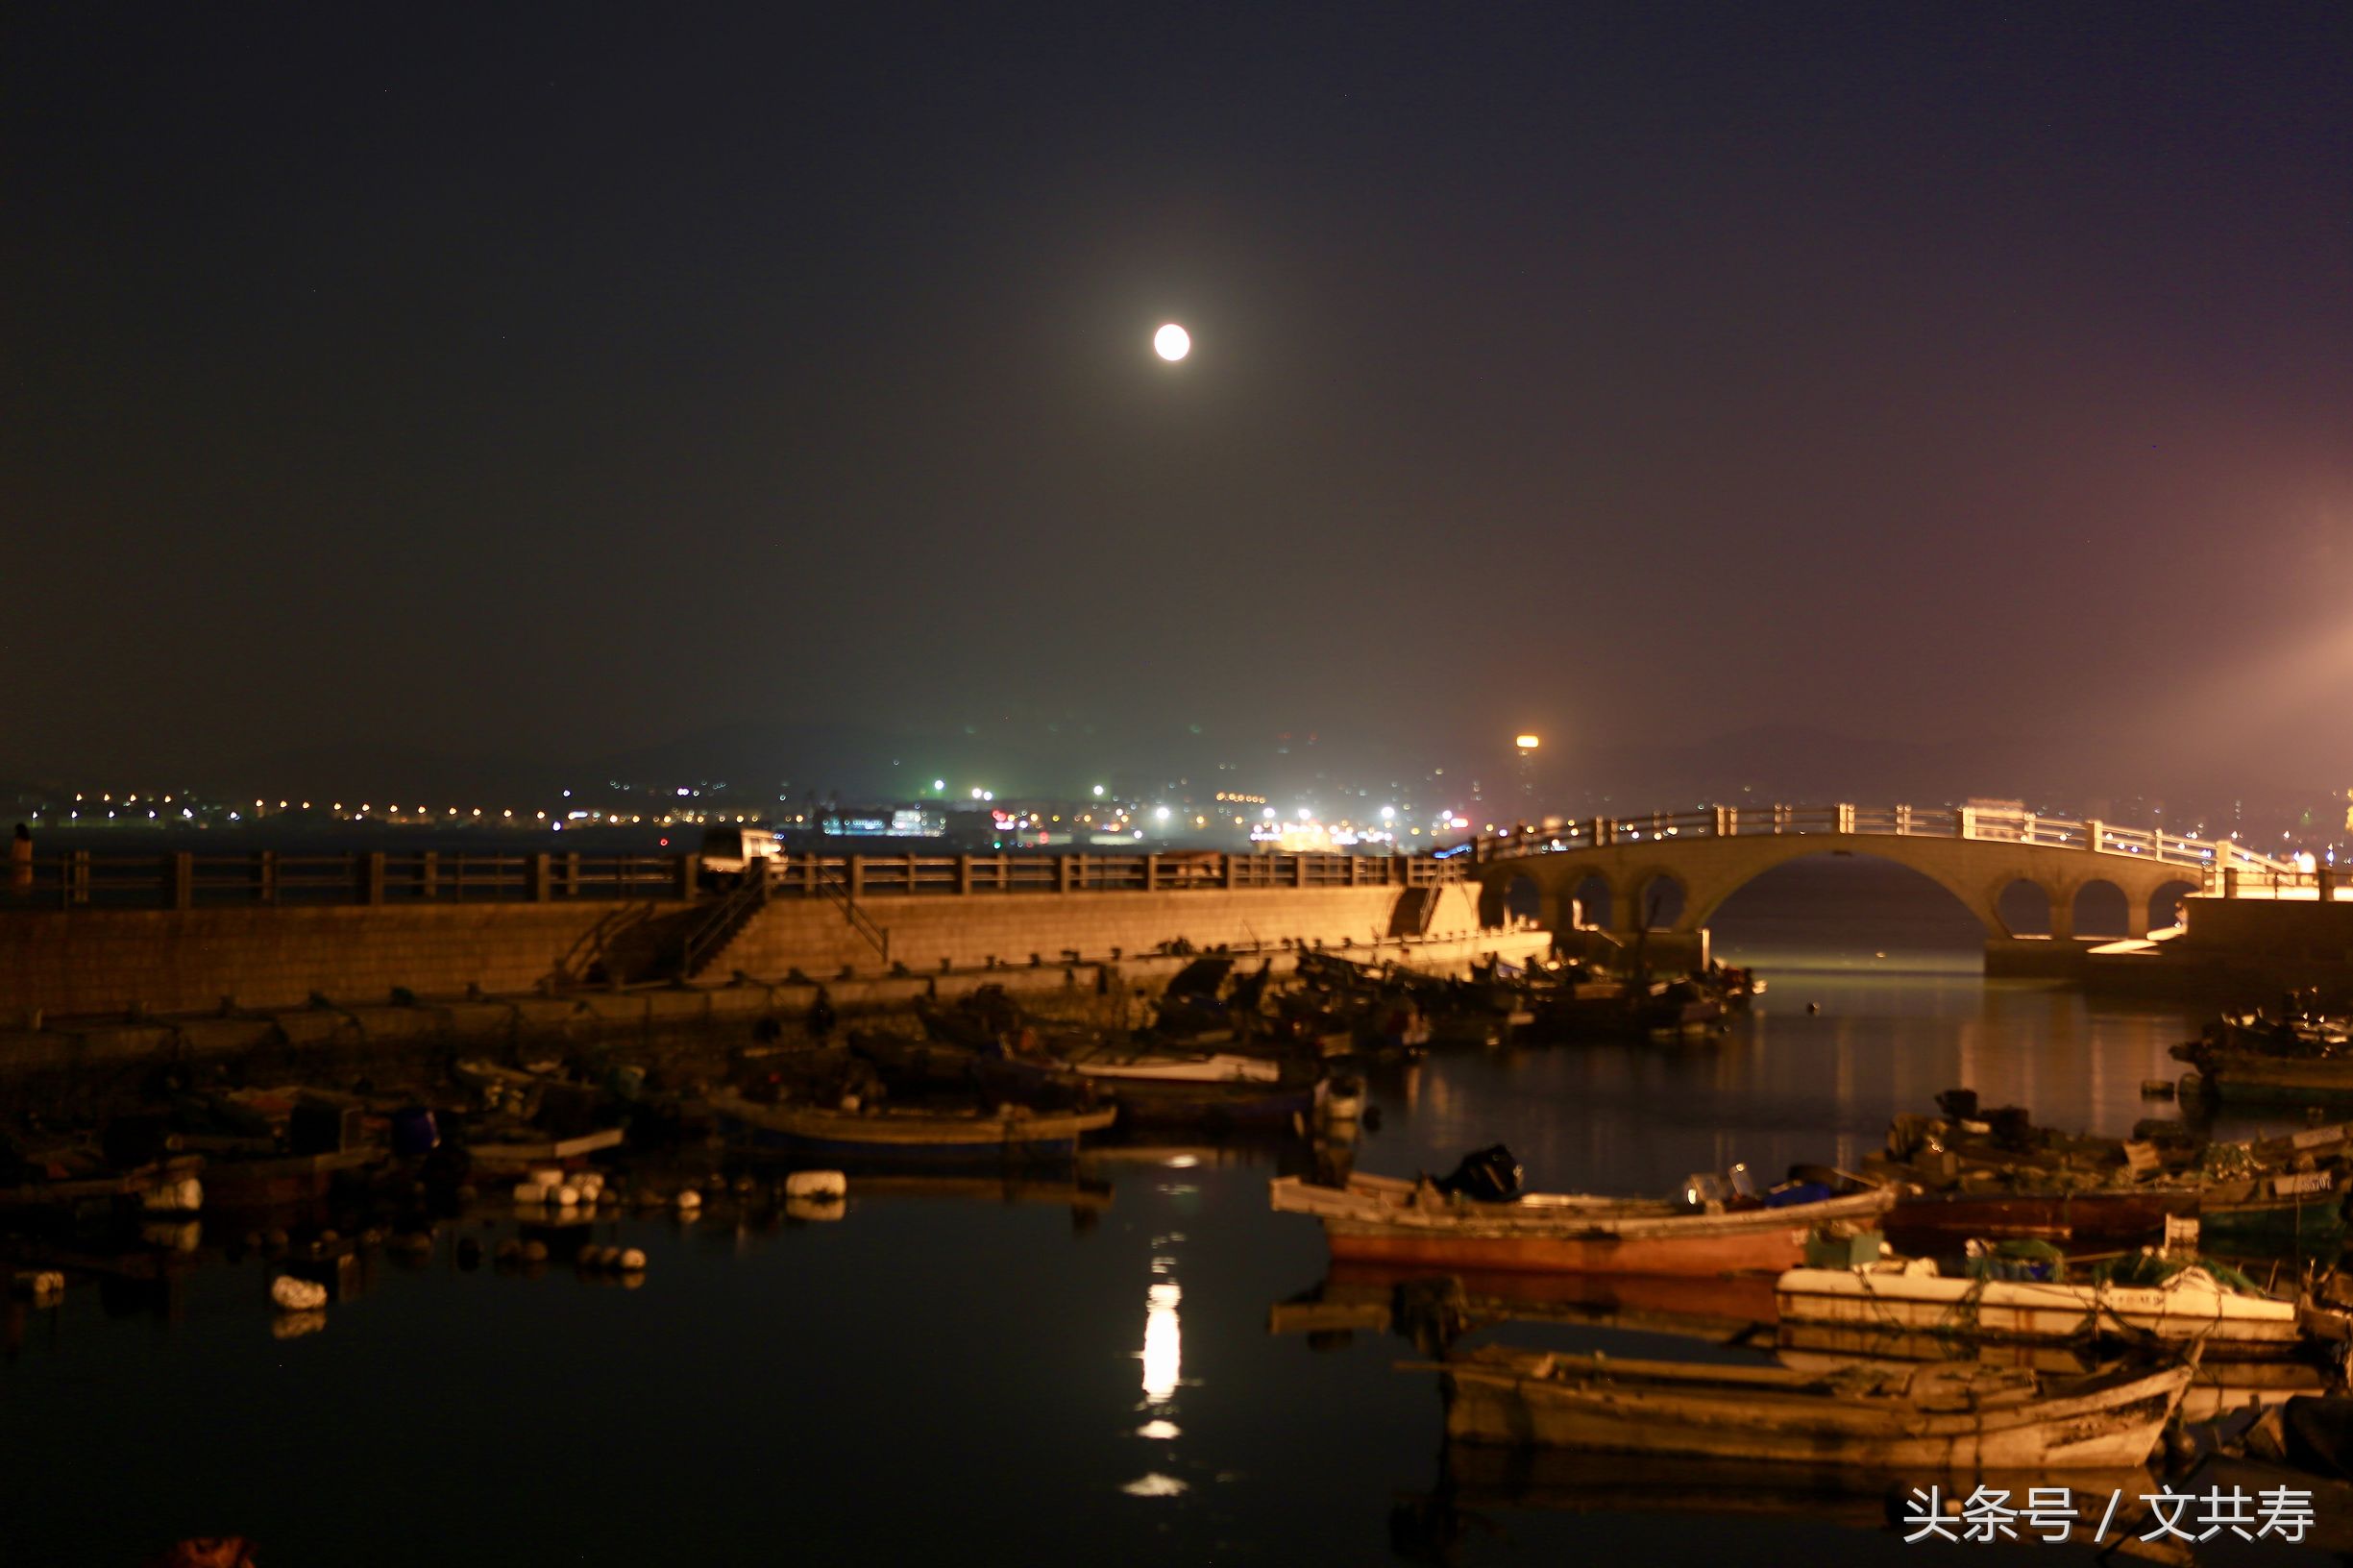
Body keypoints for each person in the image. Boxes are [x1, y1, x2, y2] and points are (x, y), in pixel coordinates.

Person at [9, 823, 29, 895]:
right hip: (27, 867)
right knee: (25, 889)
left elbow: (14, 853)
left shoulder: (18, 841)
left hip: (18, 866)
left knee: (17, 890)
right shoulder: (29, 841)